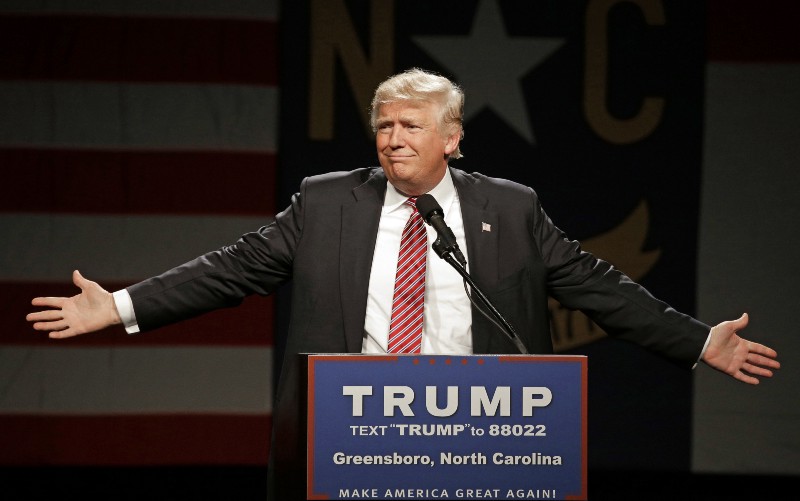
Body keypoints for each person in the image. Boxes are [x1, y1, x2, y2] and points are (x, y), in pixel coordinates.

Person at [27, 68, 779, 500]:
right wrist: (120, 305)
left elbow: (598, 286)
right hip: (354, 445)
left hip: (480, 445)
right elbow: (230, 268)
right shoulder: (327, 204)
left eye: (411, 126)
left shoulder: (508, 210)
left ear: (451, 137)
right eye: (383, 126)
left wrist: (696, 340)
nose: (392, 139)